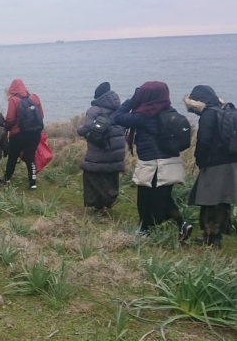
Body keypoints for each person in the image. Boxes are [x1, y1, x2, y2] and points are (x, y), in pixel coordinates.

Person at [113, 81, 192, 238]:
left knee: (144, 199)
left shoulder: (144, 115)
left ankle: (144, 230)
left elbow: (117, 117)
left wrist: (132, 100)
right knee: (164, 197)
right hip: (171, 163)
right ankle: (182, 224)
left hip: (153, 165)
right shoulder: (170, 111)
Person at [183, 85, 237, 249]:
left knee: (210, 201)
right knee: (222, 201)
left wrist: (200, 160)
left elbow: (204, 142)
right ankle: (217, 235)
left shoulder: (208, 115)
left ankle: (212, 238)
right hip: (231, 162)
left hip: (214, 164)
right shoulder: (225, 111)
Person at [76, 82, 126, 211]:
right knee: (110, 174)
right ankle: (109, 199)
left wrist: (79, 130)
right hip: (117, 149)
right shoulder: (119, 109)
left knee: (91, 173)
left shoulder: (95, 109)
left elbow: (86, 128)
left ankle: (97, 204)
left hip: (100, 147)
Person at [3, 78, 44, 190]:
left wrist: (5, 129)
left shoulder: (14, 100)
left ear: (11, 89)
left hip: (18, 134)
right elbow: (41, 116)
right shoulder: (34, 98)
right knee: (30, 157)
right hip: (34, 134)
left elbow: (10, 119)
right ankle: (33, 183)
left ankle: (7, 178)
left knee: (12, 157)